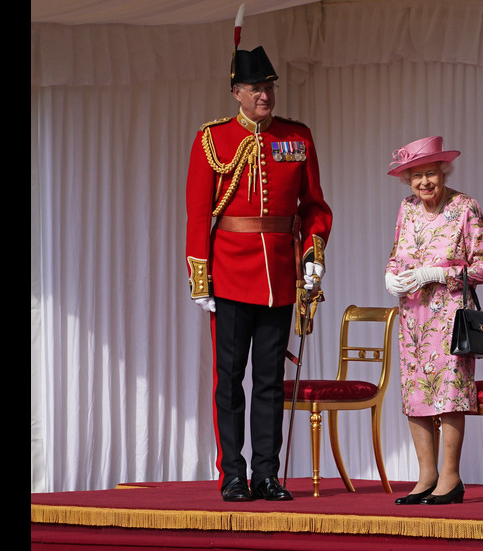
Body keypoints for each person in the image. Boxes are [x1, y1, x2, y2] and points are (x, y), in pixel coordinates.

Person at [184, 24, 333, 502]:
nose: (265, 95)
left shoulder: (298, 137)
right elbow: (198, 213)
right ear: (237, 93)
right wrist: (200, 276)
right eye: (256, 88)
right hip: (228, 272)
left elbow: (314, 207)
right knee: (229, 381)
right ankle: (233, 472)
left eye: (269, 87)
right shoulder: (213, 139)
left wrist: (312, 251)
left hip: (280, 277)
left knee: (270, 381)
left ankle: (266, 472)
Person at [384, 136, 483, 505]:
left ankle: (450, 478)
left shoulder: (465, 207)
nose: (424, 183)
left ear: (444, 172)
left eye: (430, 173)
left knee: (449, 396)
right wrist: (390, 276)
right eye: (416, 176)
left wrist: (437, 273)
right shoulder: (407, 208)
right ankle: (426, 477)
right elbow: (397, 255)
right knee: (415, 396)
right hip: (412, 317)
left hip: (450, 317)